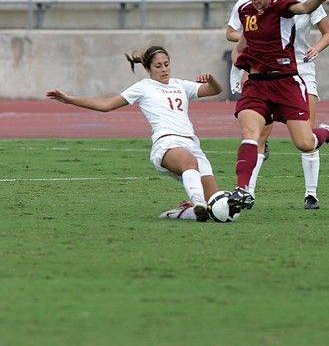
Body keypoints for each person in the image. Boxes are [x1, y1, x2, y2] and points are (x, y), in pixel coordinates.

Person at [46, 44, 222, 222]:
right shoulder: (143, 87)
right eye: (158, 66)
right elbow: (106, 105)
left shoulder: (181, 85)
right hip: (167, 143)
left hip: (192, 144)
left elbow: (215, 90)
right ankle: (197, 201)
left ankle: (183, 212)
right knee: (189, 162)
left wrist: (211, 79)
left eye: (166, 64)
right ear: (147, 68)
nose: (164, 69)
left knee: (216, 207)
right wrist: (69, 99)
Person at [227, 0, 329, 212]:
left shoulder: (281, 5)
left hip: (285, 83)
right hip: (257, 85)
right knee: (251, 134)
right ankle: (242, 190)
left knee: (305, 143)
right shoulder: (246, 11)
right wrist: (242, 69)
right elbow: (241, 45)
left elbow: (303, 7)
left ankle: (326, 133)